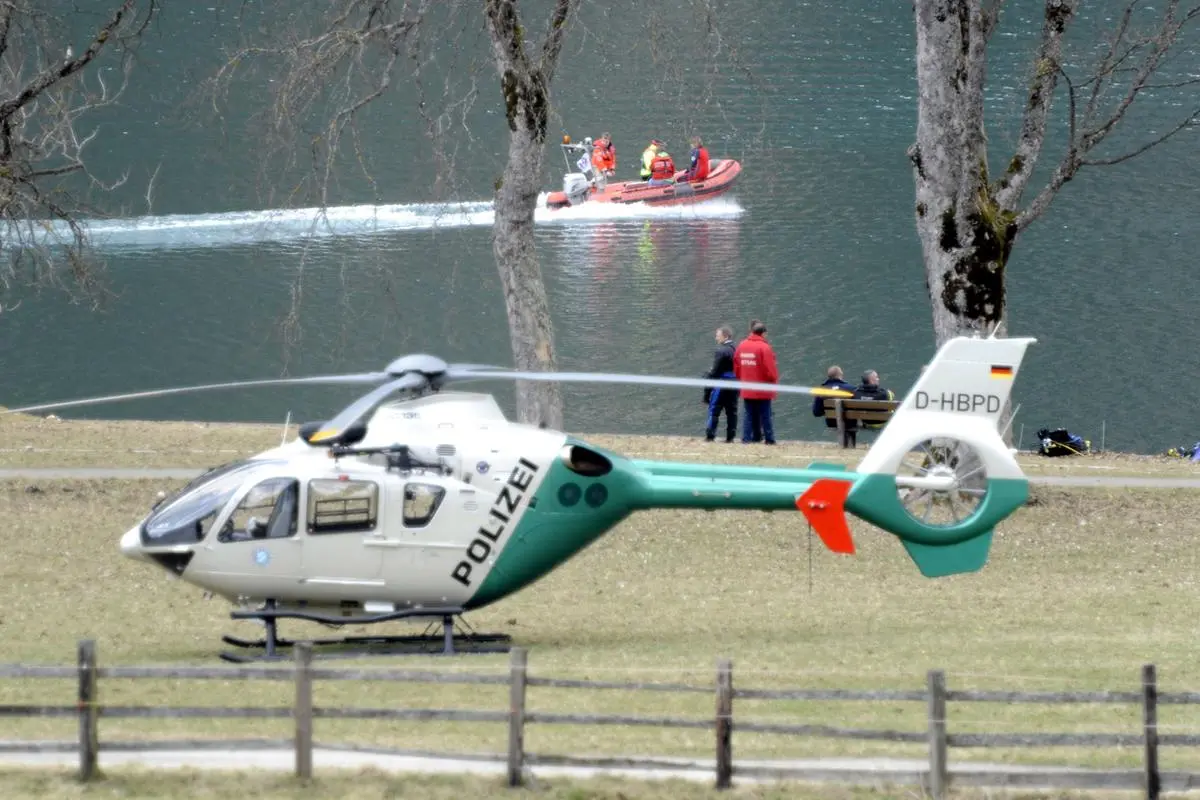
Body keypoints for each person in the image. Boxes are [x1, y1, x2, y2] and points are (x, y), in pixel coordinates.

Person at [733, 320, 778, 445]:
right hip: (763, 388)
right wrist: (773, 381)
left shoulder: (741, 345)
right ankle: (769, 439)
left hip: (747, 387)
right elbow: (770, 370)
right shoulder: (764, 347)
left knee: (748, 414)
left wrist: (741, 379)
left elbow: (736, 366)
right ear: (763, 333)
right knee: (765, 415)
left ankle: (746, 439)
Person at [702, 325, 738, 443]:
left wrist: (707, 392)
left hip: (722, 384)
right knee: (732, 411)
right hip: (735, 384)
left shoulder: (721, 351)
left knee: (714, 410)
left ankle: (710, 436)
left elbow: (715, 372)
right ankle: (730, 437)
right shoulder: (737, 348)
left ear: (725, 336)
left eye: (718, 336)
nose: (716, 338)